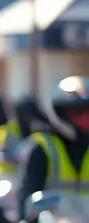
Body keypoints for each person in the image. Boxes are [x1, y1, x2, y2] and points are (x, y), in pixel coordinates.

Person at [19, 76, 89, 209]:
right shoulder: (44, 147)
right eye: (78, 112)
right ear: (60, 114)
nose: (85, 118)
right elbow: (27, 196)